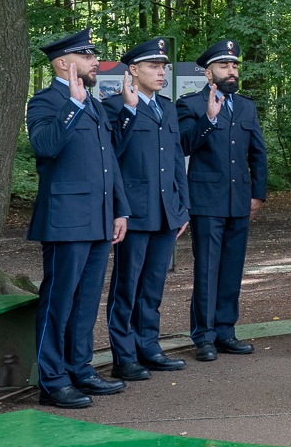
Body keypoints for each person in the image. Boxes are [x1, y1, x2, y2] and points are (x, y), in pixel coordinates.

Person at [27, 28, 129, 409]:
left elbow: (110, 163)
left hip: (100, 218)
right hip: (66, 219)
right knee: (59, 300)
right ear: (62, 63)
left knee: (86, 300)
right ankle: (52, 381)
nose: (94, 63)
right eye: (87, 57)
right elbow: (45, 146)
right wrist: (71, 105)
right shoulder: (46, 101)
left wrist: (120, 209)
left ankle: (80, 368)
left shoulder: (96, 104)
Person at [103, 38, 191, 381]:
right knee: (127, 285)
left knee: (153, 285)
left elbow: (175, 159)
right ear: (133, 70)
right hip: (134, 212)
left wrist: (182, 207)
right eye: (154, 66)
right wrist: (128, 109)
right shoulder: (114, 108)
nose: (161, 72)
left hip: (167, 211)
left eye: (163, 66)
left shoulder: (167, 108)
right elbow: (112, 158)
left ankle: (148, 346)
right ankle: (123, 355)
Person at [176, 40, 267, 362]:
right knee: (208, 270)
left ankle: (226, 331)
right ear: (208, 72)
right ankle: (203, 336)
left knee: (232, 269)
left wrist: (258, 193)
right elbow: (183, 145)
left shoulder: (246, 107)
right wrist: (209, 120)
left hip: (239, 200)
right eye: (225, 66)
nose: (232, 71)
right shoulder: (190, 105)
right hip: (205, 201)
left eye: (235, 66)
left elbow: (258, 152)